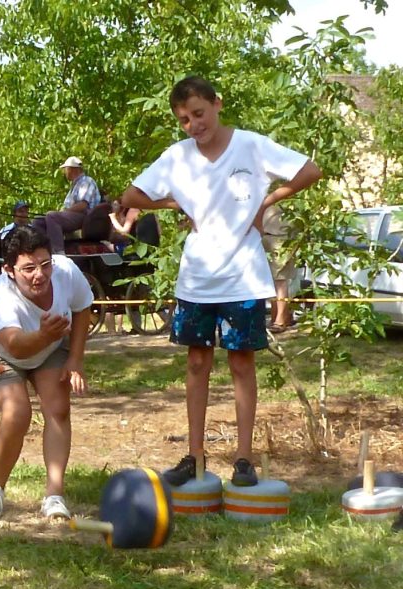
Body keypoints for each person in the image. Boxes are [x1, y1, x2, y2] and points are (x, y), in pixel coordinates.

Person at [122, 75, 322, 487]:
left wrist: (266, 201)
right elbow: (131, 196)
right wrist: (174, 202)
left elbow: (309, 170)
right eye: (184, 119)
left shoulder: (251, 145)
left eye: (199, 113)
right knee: (197, 362)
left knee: (241, 363)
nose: (193, 125)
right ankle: (194, 456)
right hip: (197, 278)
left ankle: (243, 459)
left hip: (244, 276)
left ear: (217, 104)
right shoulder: (176, 157)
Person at [0, 225, 93, 520]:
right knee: (16, 413)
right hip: (0, 352)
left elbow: (83, 307)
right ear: (9, 270)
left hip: (49, 347)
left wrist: (75, 359)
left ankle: (54, 495)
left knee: (58, 408)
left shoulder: (66, 271)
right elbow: (16, 346)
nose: (40, 274)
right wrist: (43, 334)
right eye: (28, 269)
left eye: (45, 264)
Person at [32, 156, 101, 255]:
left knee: (52, 216)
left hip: (85, 217)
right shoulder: (75, 184)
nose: (64, 172)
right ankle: (42, 251)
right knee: (38, 220)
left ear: (73, 169)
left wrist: (63, 212)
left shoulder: (86, 181)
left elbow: (83, 205)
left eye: (65, 169)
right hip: (74, 215)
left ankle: (58, 252)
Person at [262, 203, 296, 332]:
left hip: (281, 237)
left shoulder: (288, 197)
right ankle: (276, 316)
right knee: (271, 279)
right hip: (265, 235)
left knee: (280, 279)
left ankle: (280, 319)